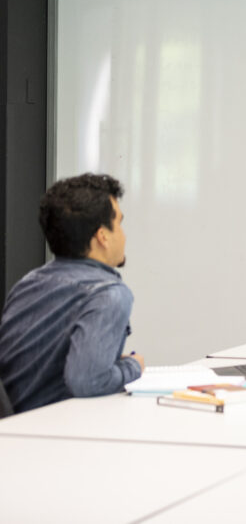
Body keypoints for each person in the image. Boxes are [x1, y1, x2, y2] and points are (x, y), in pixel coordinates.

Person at [0, 173, 144, 413]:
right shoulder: (109, 295)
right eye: (119, 223)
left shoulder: (28, 282)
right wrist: (133, 366)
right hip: (47, 436)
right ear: (102, 237)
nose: (124, 234)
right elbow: (87, 382)